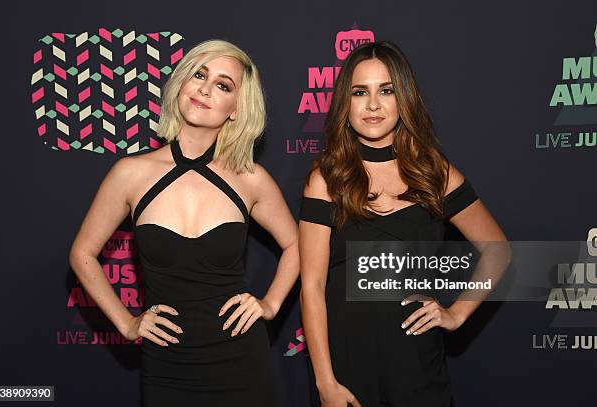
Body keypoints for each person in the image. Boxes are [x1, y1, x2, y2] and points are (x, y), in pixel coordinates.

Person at [69, 39, 299, 406]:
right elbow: (82, 253)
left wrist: (269, 304)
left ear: (237, 108)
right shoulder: (131, 174)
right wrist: (128, 323)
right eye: (199, 75)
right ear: (182, 84)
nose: (206, 89)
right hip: (167, 366)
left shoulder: (249, 177)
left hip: (242, 363)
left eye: (223, 85)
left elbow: (297, 245)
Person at [299, 41, 510, 407]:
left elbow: (499, 253)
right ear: (344, 103)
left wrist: (457, 313)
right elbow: (312, 286)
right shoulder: (326, 178)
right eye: (360, 92)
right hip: (347, 371)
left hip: (418, 370)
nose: (373, 105)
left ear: (404, 98)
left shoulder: (435, 173)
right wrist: (325, 383)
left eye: (387, 90)